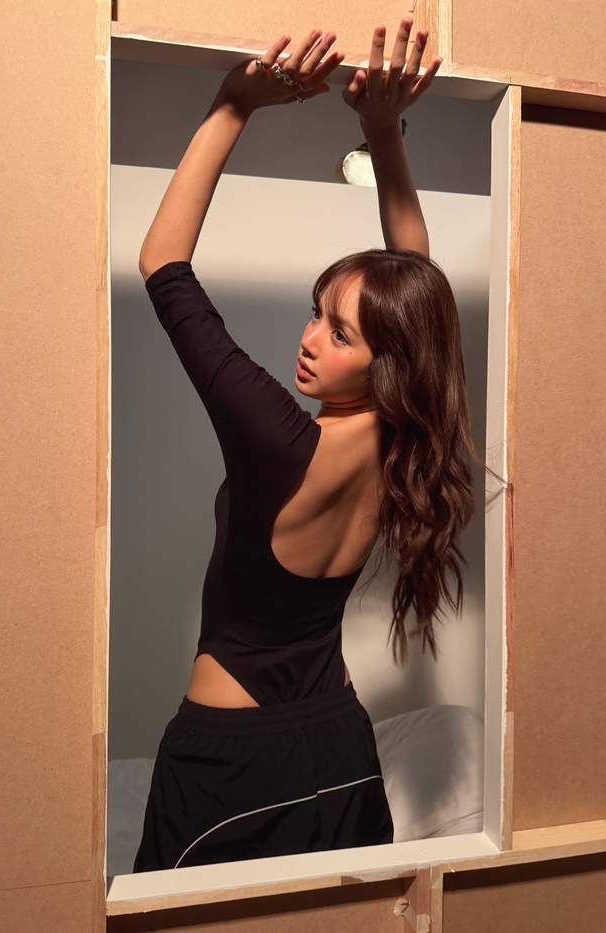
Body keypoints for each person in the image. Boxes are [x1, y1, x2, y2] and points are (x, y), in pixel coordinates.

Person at [133, 19, 478, 872]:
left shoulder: (274, 437)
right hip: (337, 747)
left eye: (340, 333)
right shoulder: (403, 439)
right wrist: (382, 132)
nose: (311, 339)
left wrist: (233, 103)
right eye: (316, 312)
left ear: (387, 358)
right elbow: (414, 283)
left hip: (227, 760)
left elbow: (164, 265)